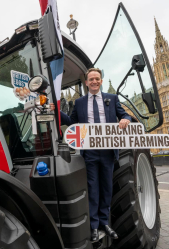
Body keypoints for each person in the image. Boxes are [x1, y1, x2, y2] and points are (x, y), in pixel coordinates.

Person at [50, 68, 131, 241]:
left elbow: (124, 114)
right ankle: (94, 226)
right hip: (90, 152)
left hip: (108, 150)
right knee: (93, 189)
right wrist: (57, 112)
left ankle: (105, 223)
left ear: (101, 81)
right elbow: (72, 122)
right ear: (86, 82)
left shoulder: (112, 98)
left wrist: (125, 119)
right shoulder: (79, 102)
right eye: (91, 79)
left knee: (107, 188)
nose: (94, 81)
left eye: (97, 78)